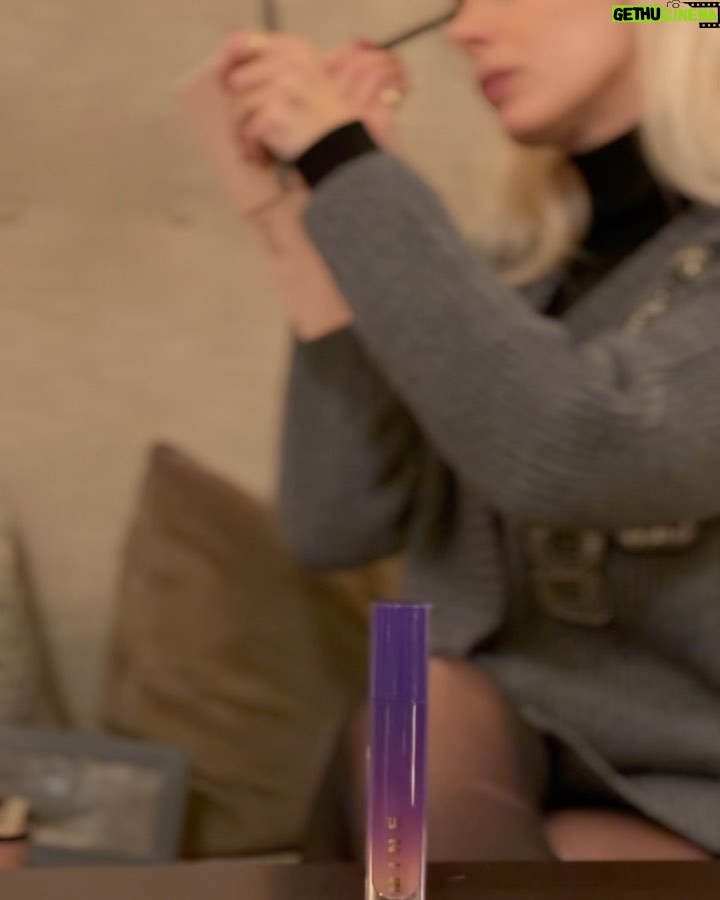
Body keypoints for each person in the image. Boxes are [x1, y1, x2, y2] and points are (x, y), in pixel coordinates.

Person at [212, 0, 720, 861]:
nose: (463, 29)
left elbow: (578, 449)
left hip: (690, 788)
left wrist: (348, 168)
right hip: (469, 736)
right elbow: (333, 522)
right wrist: (335, 218)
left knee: (501, 835)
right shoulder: (509, 272)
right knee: (408, 689)